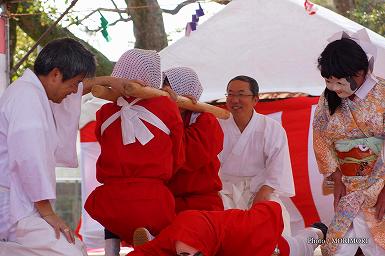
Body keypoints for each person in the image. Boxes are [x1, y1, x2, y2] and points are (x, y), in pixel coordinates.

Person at [0, 38, 130, 256]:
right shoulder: (27, 99)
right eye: (73, 84)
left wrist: (109, 80)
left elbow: (75, 90)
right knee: (69, 252)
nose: (73, 91)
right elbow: (29, 159)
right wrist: (48, 213)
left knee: (75, 247)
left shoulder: (33, 92)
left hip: (22, 204)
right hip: (13, 207)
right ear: (56, 74)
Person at [84, 49, 185, 255]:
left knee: (112, 214)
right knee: (165, 232)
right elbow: (179, 156)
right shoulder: (165, 106)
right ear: (151, 78)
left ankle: (111, 248)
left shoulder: (104, 112)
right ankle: (150, 240)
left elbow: (105, 146)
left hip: (109, 199)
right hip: (152, 198)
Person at [313, 29, 385, 256]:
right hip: (347, 182)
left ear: (360, 72)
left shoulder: (383, 93)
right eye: (328, 81)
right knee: (340, 249)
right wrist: (335, 175)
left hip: (380, 183)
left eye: (339, 82)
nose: (334, 88)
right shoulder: (327, 98)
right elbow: (321, 136)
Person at [218, 75, 295, 235]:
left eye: (241, 94)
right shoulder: (218, 125)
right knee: (217, 225)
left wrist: (265, 192)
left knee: (272, 218)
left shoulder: (271, 128)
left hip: (259, 190)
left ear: (255, 99)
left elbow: (278, 167)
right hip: (223, 191)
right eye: (230, 94)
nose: (234, 100)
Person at [127, 201, 326, 256]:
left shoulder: (240, 229)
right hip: (209, 239)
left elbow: (268, 210)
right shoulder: (180, 234)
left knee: (301, 245)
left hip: (266, 246)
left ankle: (320, 231)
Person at [163, 67, 224, 213]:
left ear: (184, 89)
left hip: (201, 203)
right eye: (163, 85)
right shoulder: (159, 115)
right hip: (165, 200)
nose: (164, 90)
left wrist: (172, 111)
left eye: (169, 85)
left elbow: (185, 159)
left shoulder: (207, 121)